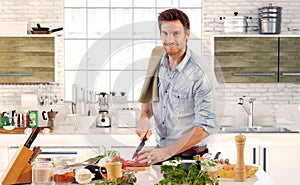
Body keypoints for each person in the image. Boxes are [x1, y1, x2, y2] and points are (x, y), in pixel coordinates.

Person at [136, 8, 216, 165]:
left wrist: (167, 152)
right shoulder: (157, 58)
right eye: (165, 33)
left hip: (190, 159)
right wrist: (144, 117)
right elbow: (149, 94)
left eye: (176, 33)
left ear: (187, 34)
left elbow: (205, 127)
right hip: (160, 153)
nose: (169, 39)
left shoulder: (200, 74)